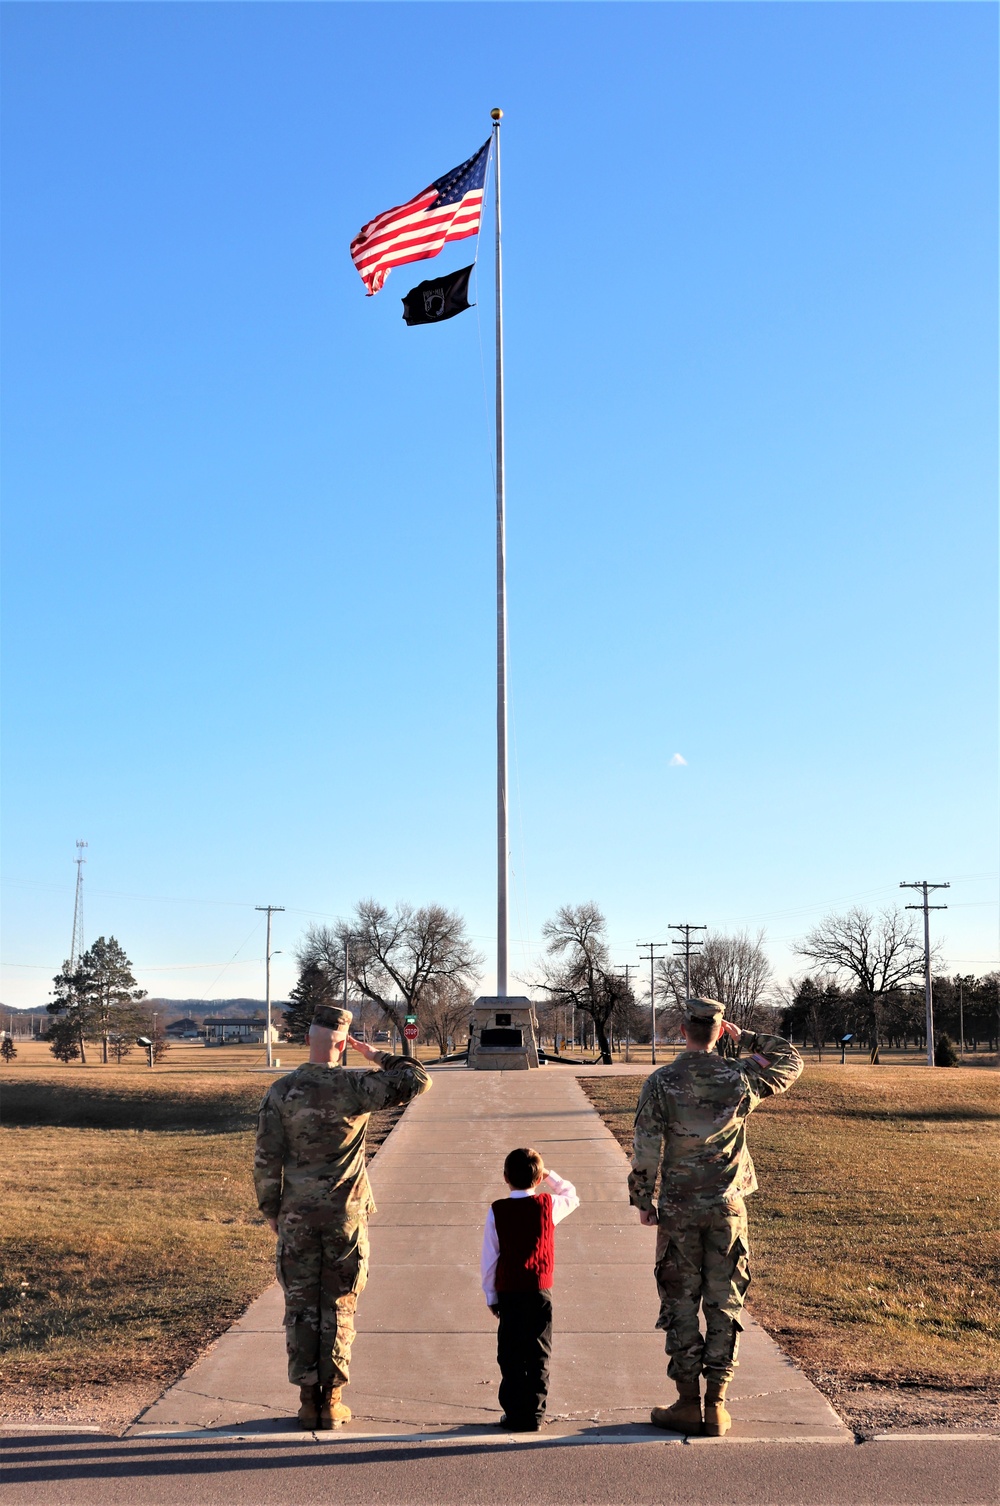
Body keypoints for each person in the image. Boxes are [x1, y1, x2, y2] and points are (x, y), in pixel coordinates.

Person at [629, 998, 802, 1437]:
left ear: (683, 1028)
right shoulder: (740, 1076)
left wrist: (643, 1200)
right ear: (720, 1030)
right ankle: (717, 1405)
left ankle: (687, 1402)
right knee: (725, 1302)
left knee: (680, 1301)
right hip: (727, 1207)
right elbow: (789, 1061)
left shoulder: (662, 1082)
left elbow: (647, 1144)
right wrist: (745, 1038)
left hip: (679, 1210)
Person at [254, 1003, 431, 1428]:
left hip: (297, 1213)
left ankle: (306, 1400)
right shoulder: (357, 1086)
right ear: (342, 1044)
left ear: (306, 1039)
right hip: (346, 1215)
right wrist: (376, 1055)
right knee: (339, 1304)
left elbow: (266, 1159)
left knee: (300, 1306)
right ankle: (332, 1401)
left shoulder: (281, 1092)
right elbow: (417, 1078)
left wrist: (271, 1209)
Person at [480, 1146, 580, 1432]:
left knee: (510, 1353)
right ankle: (535, 1413)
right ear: (538, 1179)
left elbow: (490, 1257)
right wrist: (551, 1176)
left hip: (509, 1291)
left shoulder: (498, 1210)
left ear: (505, 1177)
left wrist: (491, 1294)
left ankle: (514, 1413)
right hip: (539, 1291)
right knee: (538, 1353)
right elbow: (572, 1195)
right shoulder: (548, 1206)